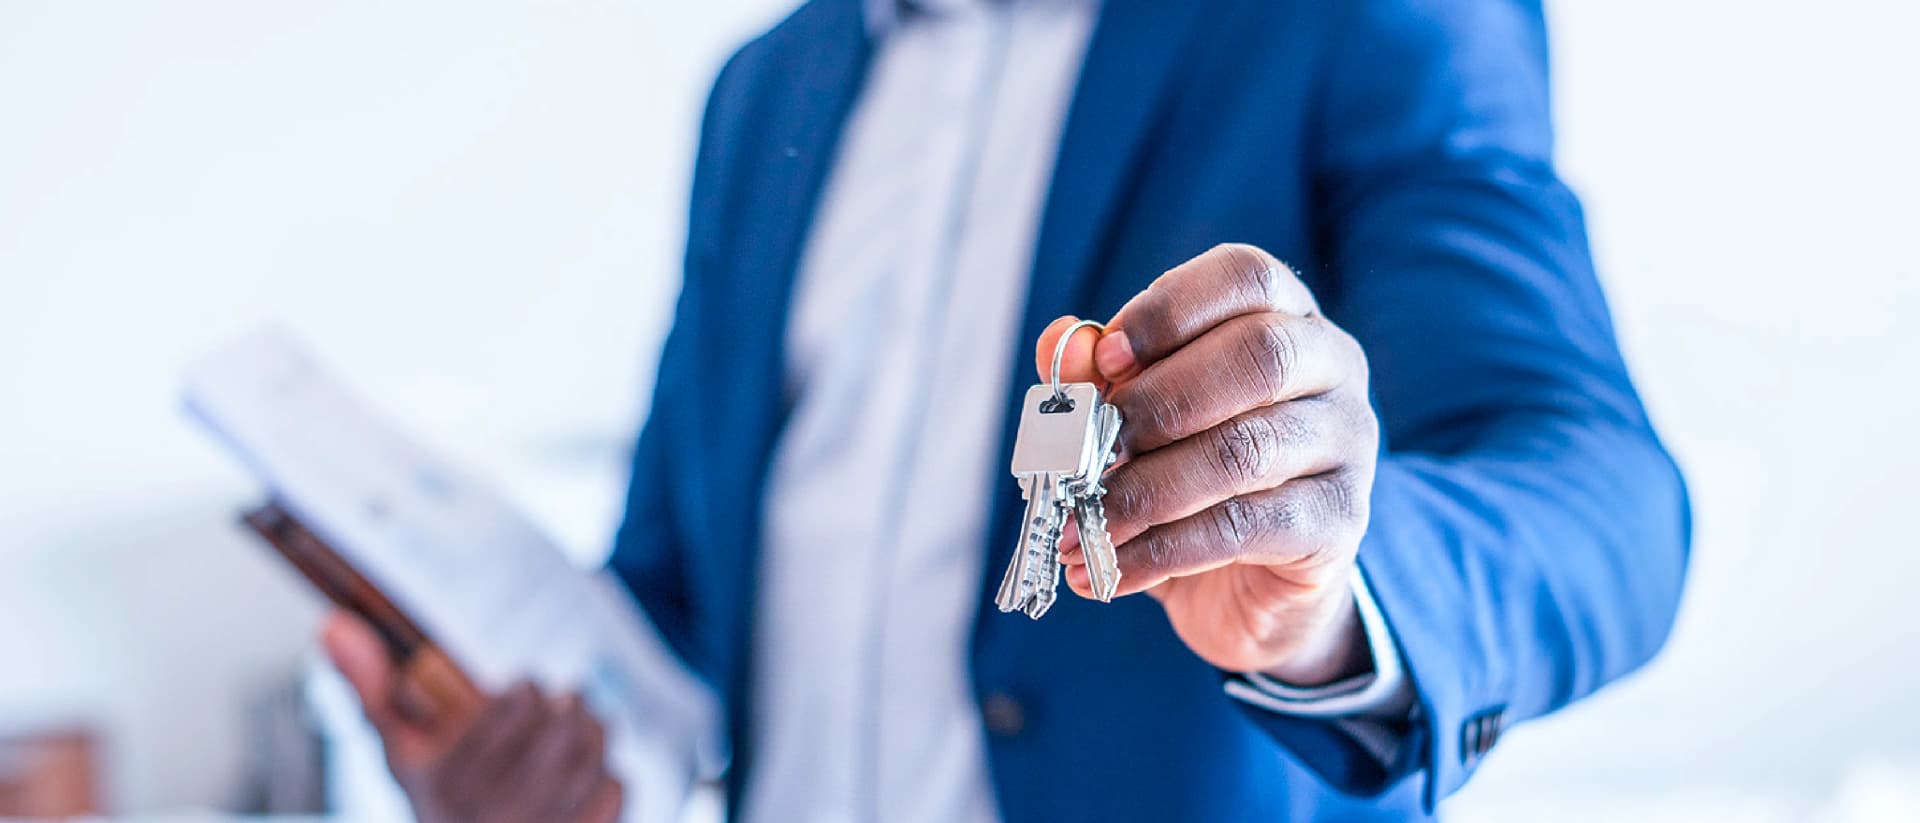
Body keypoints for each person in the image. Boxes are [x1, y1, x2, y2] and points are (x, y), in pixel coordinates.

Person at [323, 0, 1692, 820]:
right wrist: (531, 751)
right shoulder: (765, 90)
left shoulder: (1354, 17)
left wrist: (1331, 589)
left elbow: (1605, 500)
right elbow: (687, 594)